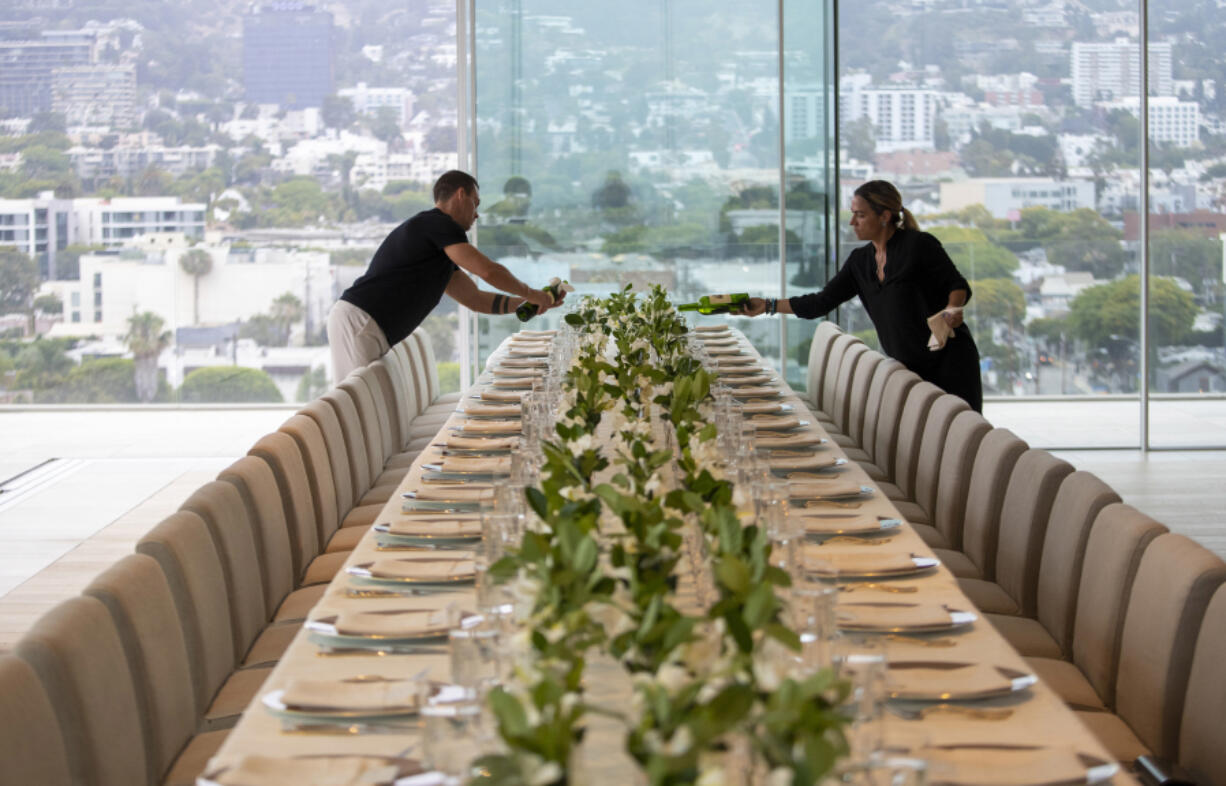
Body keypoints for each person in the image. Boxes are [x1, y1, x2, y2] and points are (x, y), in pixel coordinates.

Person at [742, 180, 983, 412]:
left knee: (962, 445)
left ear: (884, 216)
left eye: (860, 215)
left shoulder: (919, 245)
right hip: (910, 370)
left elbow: (957, 285)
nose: (852, 222)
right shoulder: (860, 262)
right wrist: (766, 305)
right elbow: (820, 302)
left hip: (950, 363)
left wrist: (952, 309)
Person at [327, 170, 564, 381]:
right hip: (360, 320)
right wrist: (533, 293)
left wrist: (528, 303)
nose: (477, 214)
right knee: (362, 411)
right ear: (461, 194)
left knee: (369, 412)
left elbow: (475, 299)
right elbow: (488, 270)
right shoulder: (437, 223)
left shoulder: (437, 247)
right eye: (476, 203)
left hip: (365, 322)